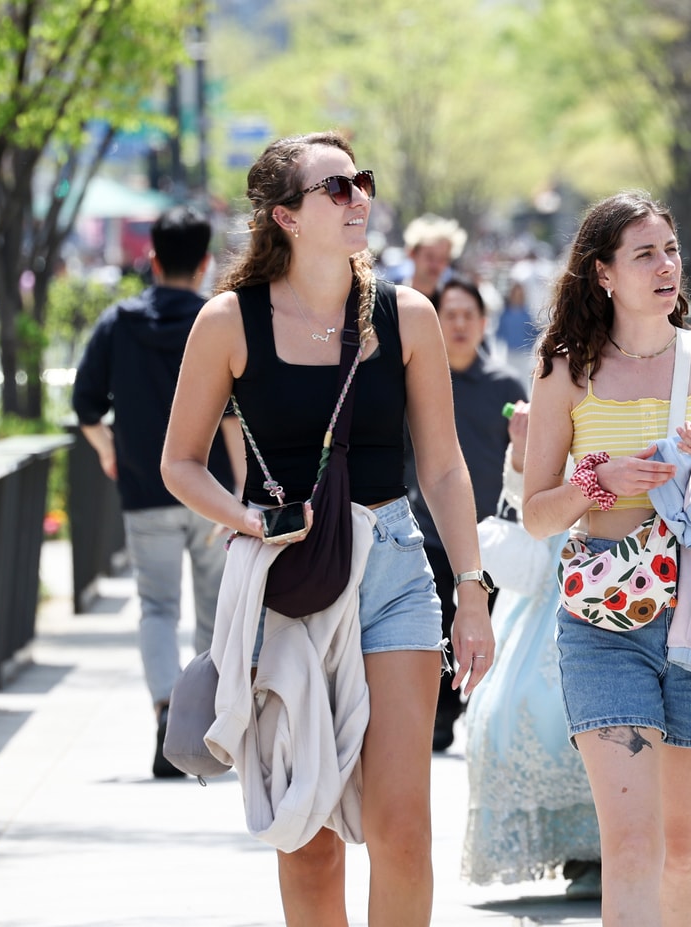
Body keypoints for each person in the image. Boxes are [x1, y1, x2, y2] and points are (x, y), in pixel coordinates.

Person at [159, 131, 494, 925]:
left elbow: (443, 468)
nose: (358, 200)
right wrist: (247, 518)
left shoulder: (405, 315)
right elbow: (179, 462)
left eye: (361, 183)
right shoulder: (227, 321)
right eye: (336, 189)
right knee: (305, 830)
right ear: (286, 216)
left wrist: (472, 591)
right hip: (289, 581)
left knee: (402, 825)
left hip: (393, 572)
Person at [520, 191, 691, 926]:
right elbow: (536, 513)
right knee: (631, 847)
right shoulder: (564, 370)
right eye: (644, 254)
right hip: (605, 621)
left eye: (671, 249)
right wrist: (599, 481)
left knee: (686, 851)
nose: (666, 266)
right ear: (602, 273)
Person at [71, 205, 241, 779]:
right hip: (213, 492)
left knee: (156, 606)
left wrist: (107, 451)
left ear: (151, 258)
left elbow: (86, 405)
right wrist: (240, 491)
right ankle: (201, 725)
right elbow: (235, 416)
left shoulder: (119, 323)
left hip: (145, 490)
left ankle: (167, 708)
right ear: (203, 264)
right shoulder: (218, 321)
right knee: (214, 610)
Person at [461, 401, 602, 897]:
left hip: (629, 564)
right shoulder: (553, 385)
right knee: (519, 708)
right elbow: (521, 502)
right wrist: (521, 451)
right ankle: (583, 854)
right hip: (553, 576)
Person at [406, 274, 527, 751]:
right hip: (427, 533)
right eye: (448, 315)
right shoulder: (416, 382)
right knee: (435, 628)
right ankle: (439, 715)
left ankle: (475, 711)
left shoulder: (506, 384)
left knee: (486, 627)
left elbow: (522, 462)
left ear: (483, 324)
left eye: (468, 316)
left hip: (489, 538)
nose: (458, 325)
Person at [402, 213, 467, 299]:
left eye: (442, 259)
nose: (435, 265)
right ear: (412, 253)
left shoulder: (450, 304)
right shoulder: (391, 299)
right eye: (430, 257)